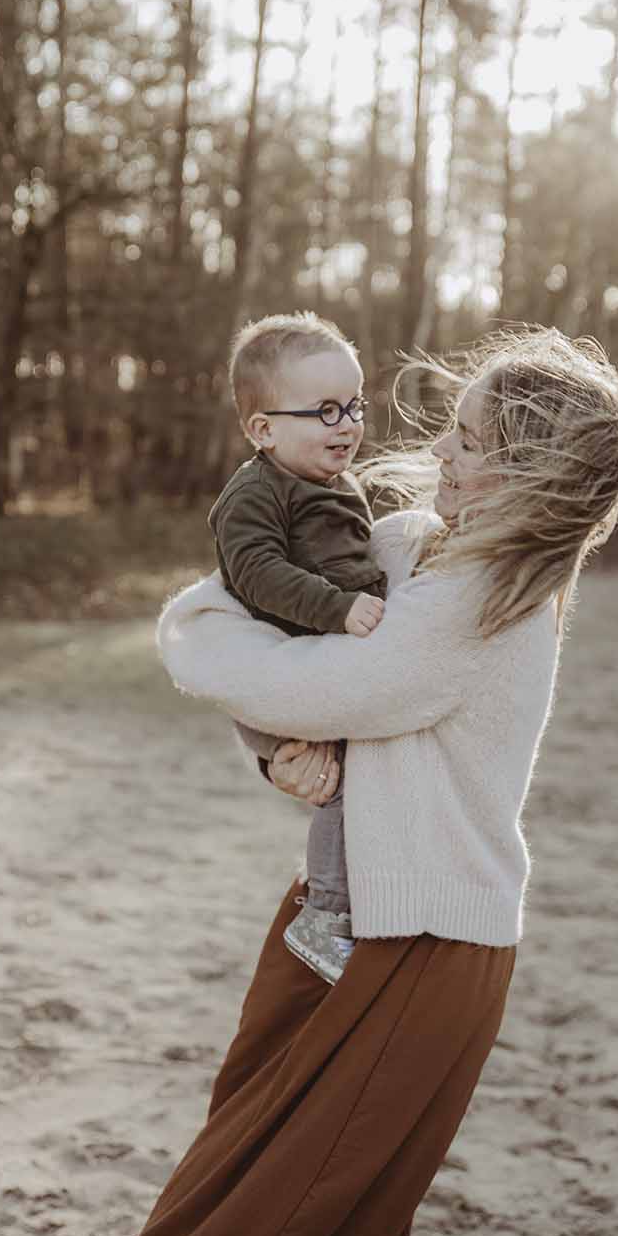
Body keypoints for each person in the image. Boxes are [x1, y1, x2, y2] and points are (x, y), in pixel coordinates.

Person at [108, 325, 618, 1236]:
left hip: (421, 948)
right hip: (339, 917)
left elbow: (291, 674)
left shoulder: (483, 604)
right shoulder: (406, 548)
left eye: (467, 440)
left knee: (251, 1234)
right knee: (270, 1204)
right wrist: (271, 750)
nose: (435, 447)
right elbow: (246, 627)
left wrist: (231, 666)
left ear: (529, 475)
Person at [209, 311, 388, 983]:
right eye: (325, 411)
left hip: (319, 670)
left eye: (355, 406)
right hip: (279, 682)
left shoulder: (331, 484)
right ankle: (326, 913)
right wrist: (338, 610)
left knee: (362, 778)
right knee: (343, 788)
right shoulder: (255, 494)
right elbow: (256, 573)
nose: (347, 423)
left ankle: (351, 900)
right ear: (264, 429)